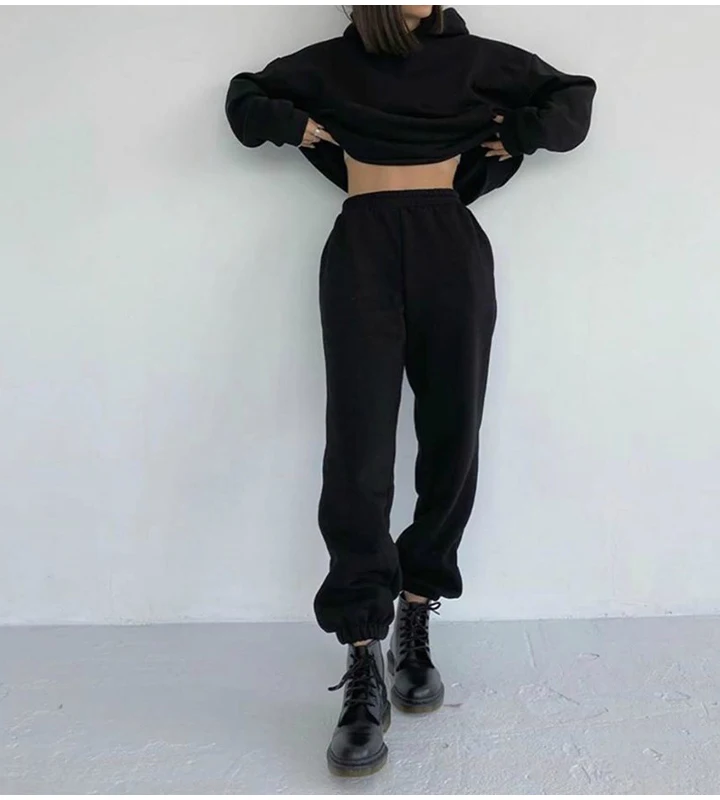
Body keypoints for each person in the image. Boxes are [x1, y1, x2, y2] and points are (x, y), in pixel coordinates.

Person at [225, 4, 596, 777]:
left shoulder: (480, 60)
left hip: (448, 243)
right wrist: (288, 124)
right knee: (357, 447)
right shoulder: (330, 64)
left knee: (453, 434)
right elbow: (245, 97)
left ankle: (417, 613)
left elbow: (573, 98)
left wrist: (523, 133)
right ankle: (363, 651)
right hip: (360, 243)